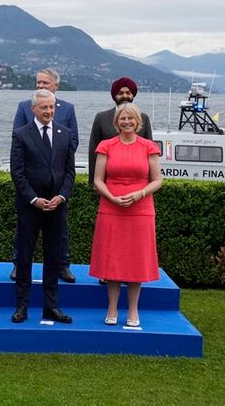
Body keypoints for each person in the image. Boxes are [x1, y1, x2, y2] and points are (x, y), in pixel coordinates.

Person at [89, 103, 162, 327]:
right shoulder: (106, 145)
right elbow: (97, 179)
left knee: (135, 262)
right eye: (123, 118)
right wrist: (111, 197)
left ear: (138, 121)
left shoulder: (149, 147)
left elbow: (157, 180)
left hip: (140, 210)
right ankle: (111, 309)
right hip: (111, 208)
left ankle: (133, 311)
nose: (127, 122)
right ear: (116, 122)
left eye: (131, 118)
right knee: (112, 261)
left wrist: (139, 194)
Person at [10, 89, 76, 325]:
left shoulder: (65, 134)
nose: (48, 111)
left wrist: (62, 196)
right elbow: (17, 172)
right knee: (25, 258)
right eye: (44, 107)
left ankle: (51, 307)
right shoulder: (21, 134)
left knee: (54, 258)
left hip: (57, 207)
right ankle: (22, 306)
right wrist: (33, 199)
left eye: (52, 107)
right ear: (33, 109)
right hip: (30, 207)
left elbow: (69, 172)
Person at [88, 77, 153, 187]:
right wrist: (93, 182)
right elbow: (93, 151)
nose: (125, 96)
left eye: (128, 92)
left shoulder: (143, 118)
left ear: (133, 95)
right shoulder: (101, 118)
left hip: (138, 182)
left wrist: (150, 182)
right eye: (120, 93)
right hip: (107, 182)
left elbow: (150, 152)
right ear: (114, 96)